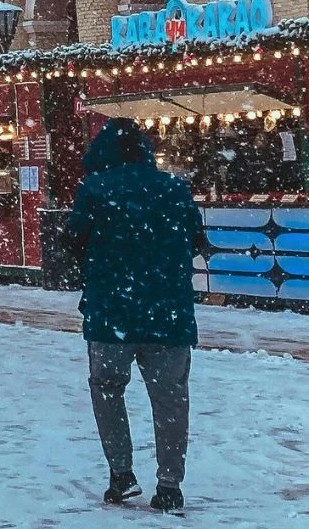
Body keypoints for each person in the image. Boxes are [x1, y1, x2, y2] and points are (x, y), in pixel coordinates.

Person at [65, 118, 200, 515]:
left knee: (108, 390)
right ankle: (170, 485)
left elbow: (73, 240)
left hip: (111, 313)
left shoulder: (94, 189)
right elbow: (196, 238)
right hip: (169, 314)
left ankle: (122, 474)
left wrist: (102, 261)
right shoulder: (174, 188)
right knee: (171, 400)